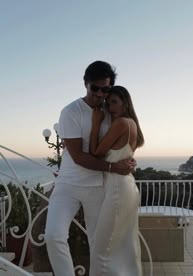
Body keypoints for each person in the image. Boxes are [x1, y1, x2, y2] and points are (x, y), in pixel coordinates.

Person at [44, 61, 135, 276]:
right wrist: (115, 167)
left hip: (98, 186)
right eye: (95, 88)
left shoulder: (111, 110)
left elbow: (123, 138)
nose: (100, 94)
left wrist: (127, 159)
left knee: (99, 245)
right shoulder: (71, 111)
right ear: (86, 84)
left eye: (105, 89)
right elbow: (78, 157)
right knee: (53, 235)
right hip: (68, 184)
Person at [89, 86, 144, 276]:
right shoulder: (132, 124)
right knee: (126, 245)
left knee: (100, 249)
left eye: (114, 102)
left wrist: (96, 124)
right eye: (108, 102)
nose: (109, 107)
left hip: (118, 191)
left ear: (125, 103)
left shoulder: (120, 123)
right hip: (127, 186)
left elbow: (95, 152)